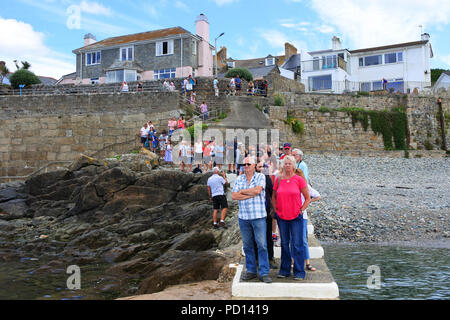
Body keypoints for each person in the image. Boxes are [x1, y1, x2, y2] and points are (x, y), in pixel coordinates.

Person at [232, 156, 272, 284]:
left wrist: (242, 192)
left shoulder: (260, 177)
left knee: (262, 245)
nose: (246, 166)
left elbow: (258, 190)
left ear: (254, 165)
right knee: (247, 245)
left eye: (248, 164)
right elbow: (234, 196)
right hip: (244, 217)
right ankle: (251, 271)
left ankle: (264, 272)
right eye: (244, 164)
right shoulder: (239, 178)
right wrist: (249, 193)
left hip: (258, 216)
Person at [272, 156, 311, 280]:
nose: (287, 165)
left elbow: (307, 198)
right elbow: (273, 197)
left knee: (297, 244)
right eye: (286, 163)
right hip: (282, 217)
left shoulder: (299, 180)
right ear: (283, 165)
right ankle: (284, 270)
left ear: (294, 166)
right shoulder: (278, 180)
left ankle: (299, 272)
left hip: (296, 217)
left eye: (290, 164)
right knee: (284, 244)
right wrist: (276, 209)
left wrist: (301, 210)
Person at [294, 168, 320, 272]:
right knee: (293, 240)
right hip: (292, 215)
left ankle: (307, 263)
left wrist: (307, 202)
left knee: (303, 241)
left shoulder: (305, 186)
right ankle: (293, 262)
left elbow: (318, 196)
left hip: (302, 215)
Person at [256, 161, 277, 269]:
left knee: (268, 236)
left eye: (263, 167)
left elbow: (272, 194)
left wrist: (273, 209)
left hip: (266, 211)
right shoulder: (252, 178)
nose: (261, 169)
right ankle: (257, 259)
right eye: (259, 167)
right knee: (256, 237)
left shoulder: (267, 178)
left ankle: (270, 258)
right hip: (255, 212)